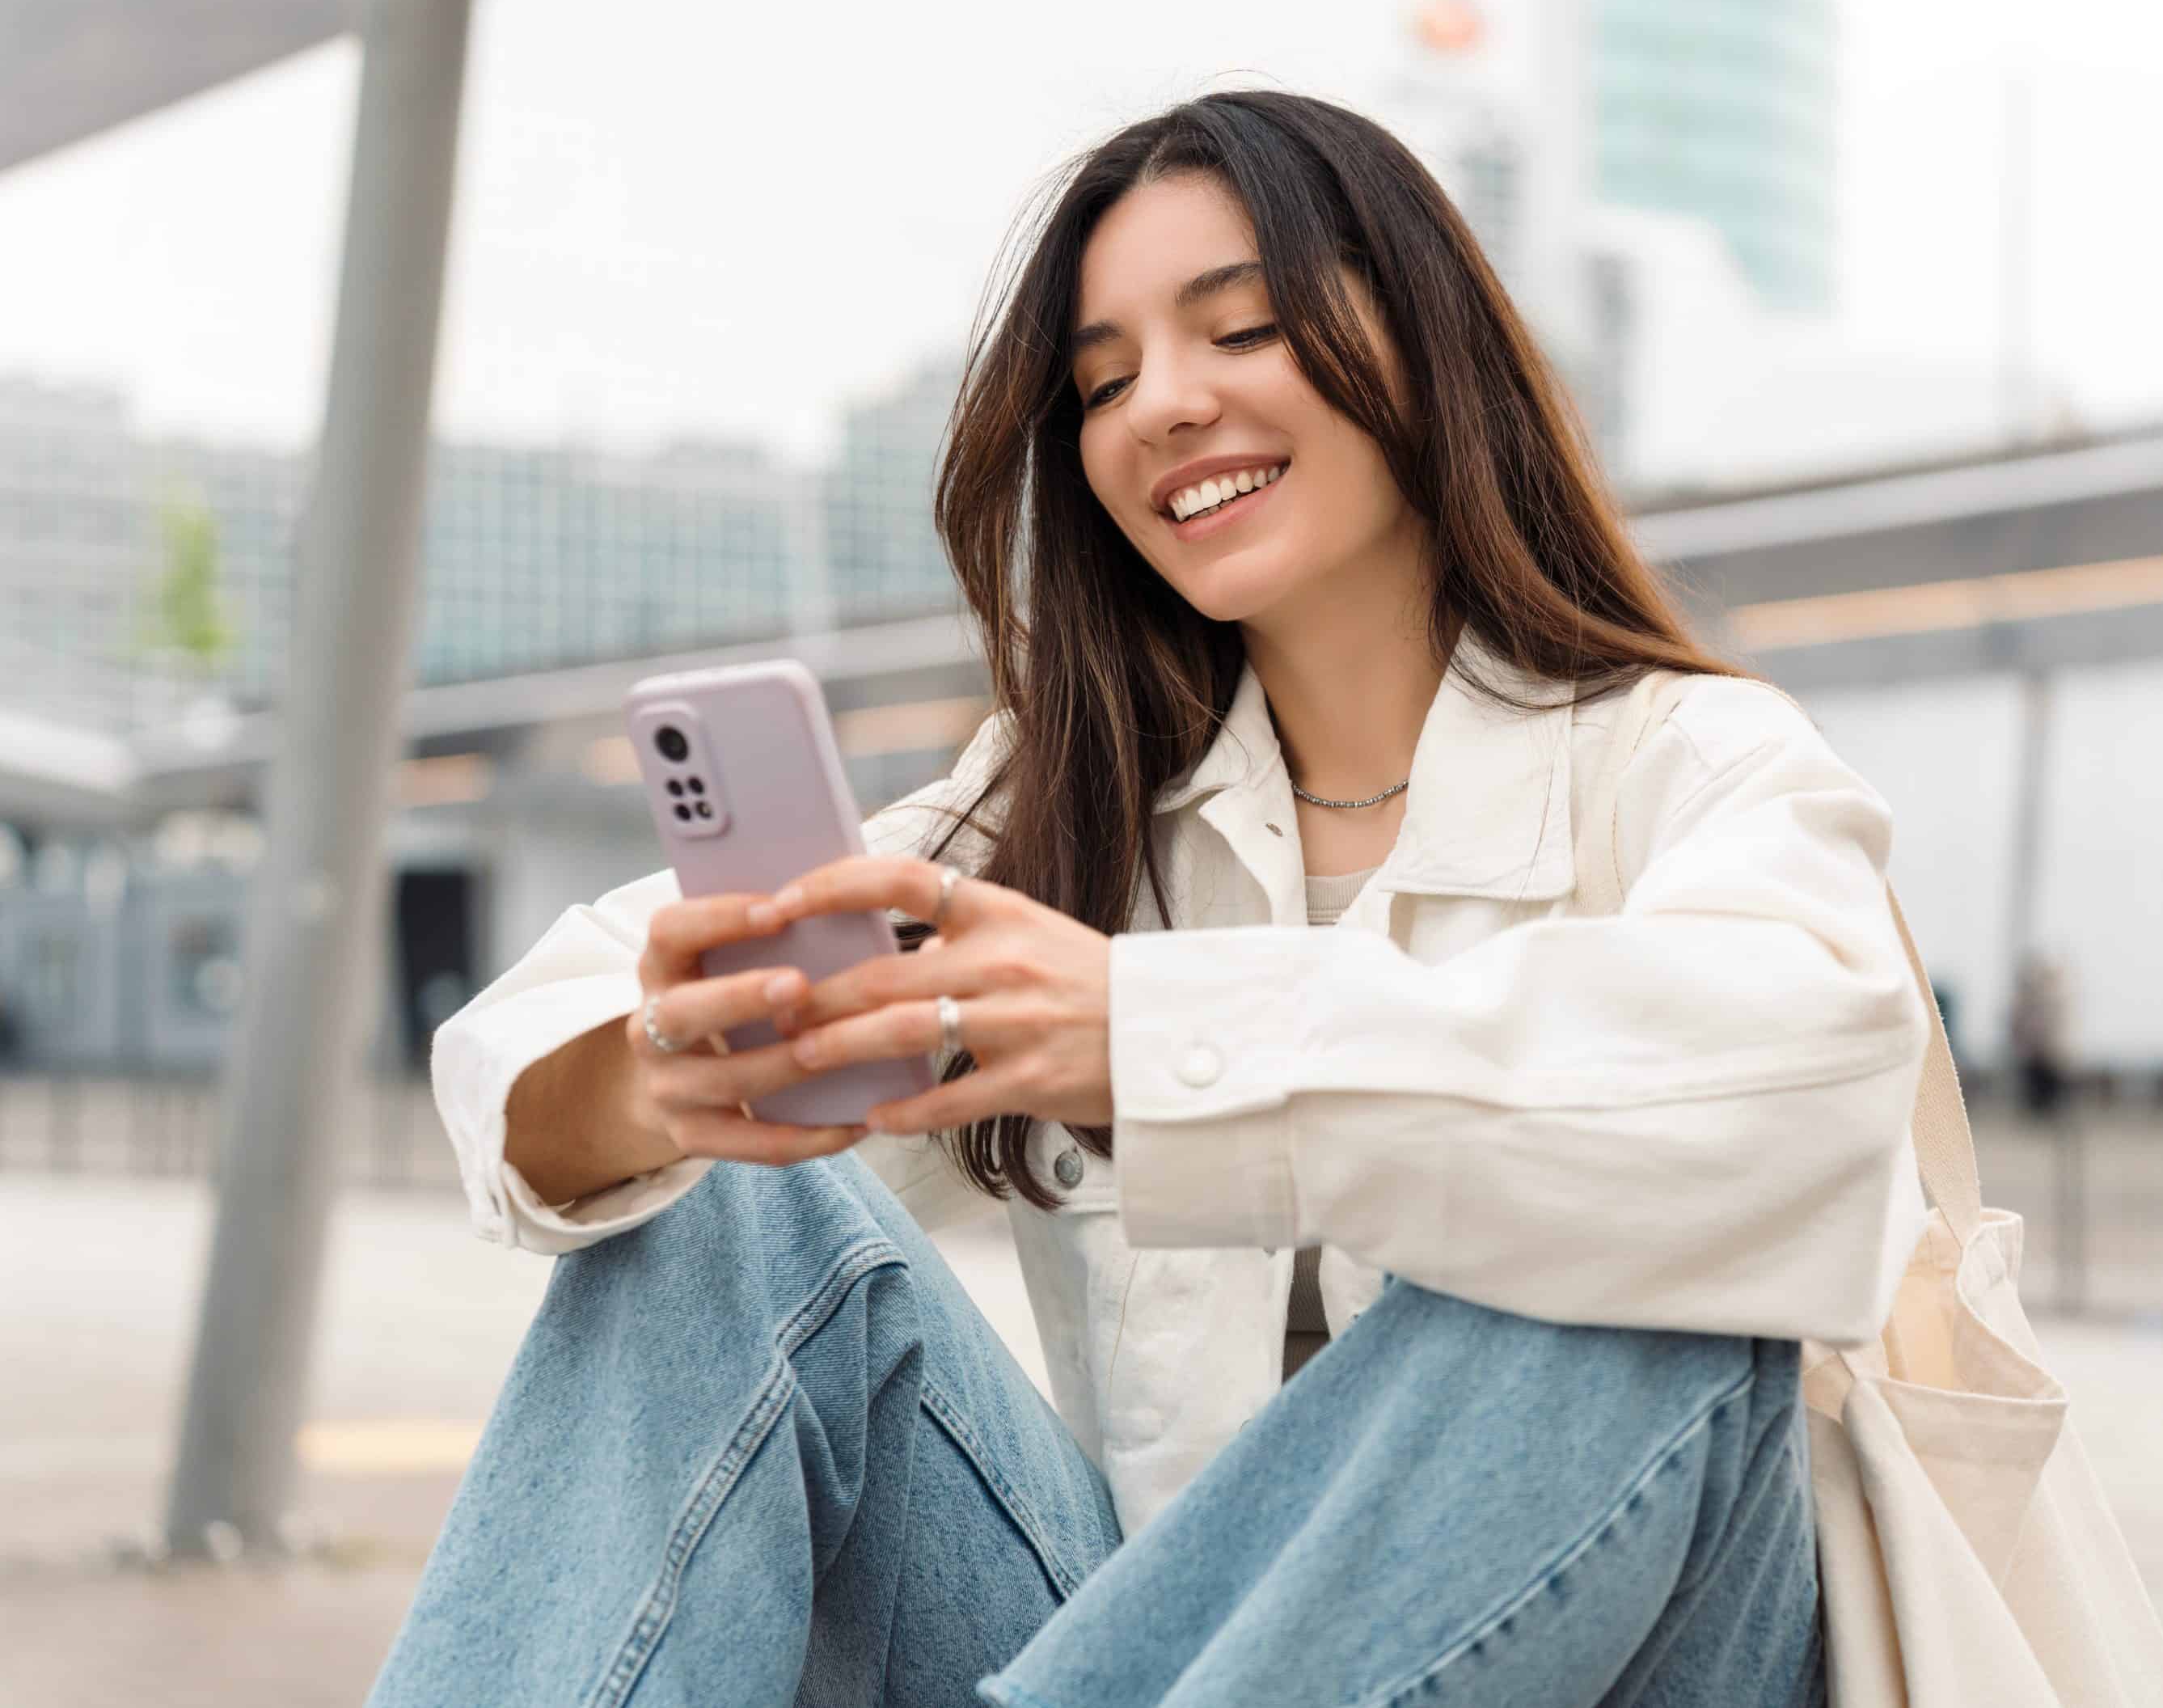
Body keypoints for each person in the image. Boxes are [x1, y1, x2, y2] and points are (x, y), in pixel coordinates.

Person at [373, 92, 1929, 1707]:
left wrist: (1150, 1034)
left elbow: (1808, 1085)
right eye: (1104, 380)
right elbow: (529, 1040)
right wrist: (657, 1071)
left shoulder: (1687, 759)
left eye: (1239, 328)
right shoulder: (1073, 806)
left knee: (1619, 1257)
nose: (1163, 406)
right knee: (734, 1202)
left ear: (1425, 346)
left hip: (1635, 1650)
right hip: (1161, 1648)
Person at [2009, 950, 2071, 1119]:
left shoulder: (2054, 996)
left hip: (2050, 1054)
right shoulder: (2035, 997)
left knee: (2050, 1097)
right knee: (2040, 1097)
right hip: (2041, 1055)